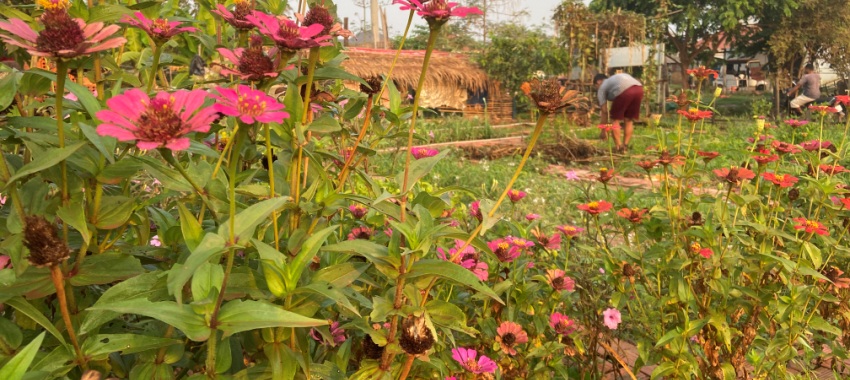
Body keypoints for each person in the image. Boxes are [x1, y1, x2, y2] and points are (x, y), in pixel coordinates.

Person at [594, 73, 644, 152]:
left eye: (596, 86)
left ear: (599, 82)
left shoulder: (602, 88)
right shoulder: (612, 80)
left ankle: (619, 147)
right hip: (638, 89)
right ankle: (625, 146)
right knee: (628, 120)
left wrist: (603, 130)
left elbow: (604, 111)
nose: (597, 89)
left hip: (624, 90)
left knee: (614, 120)